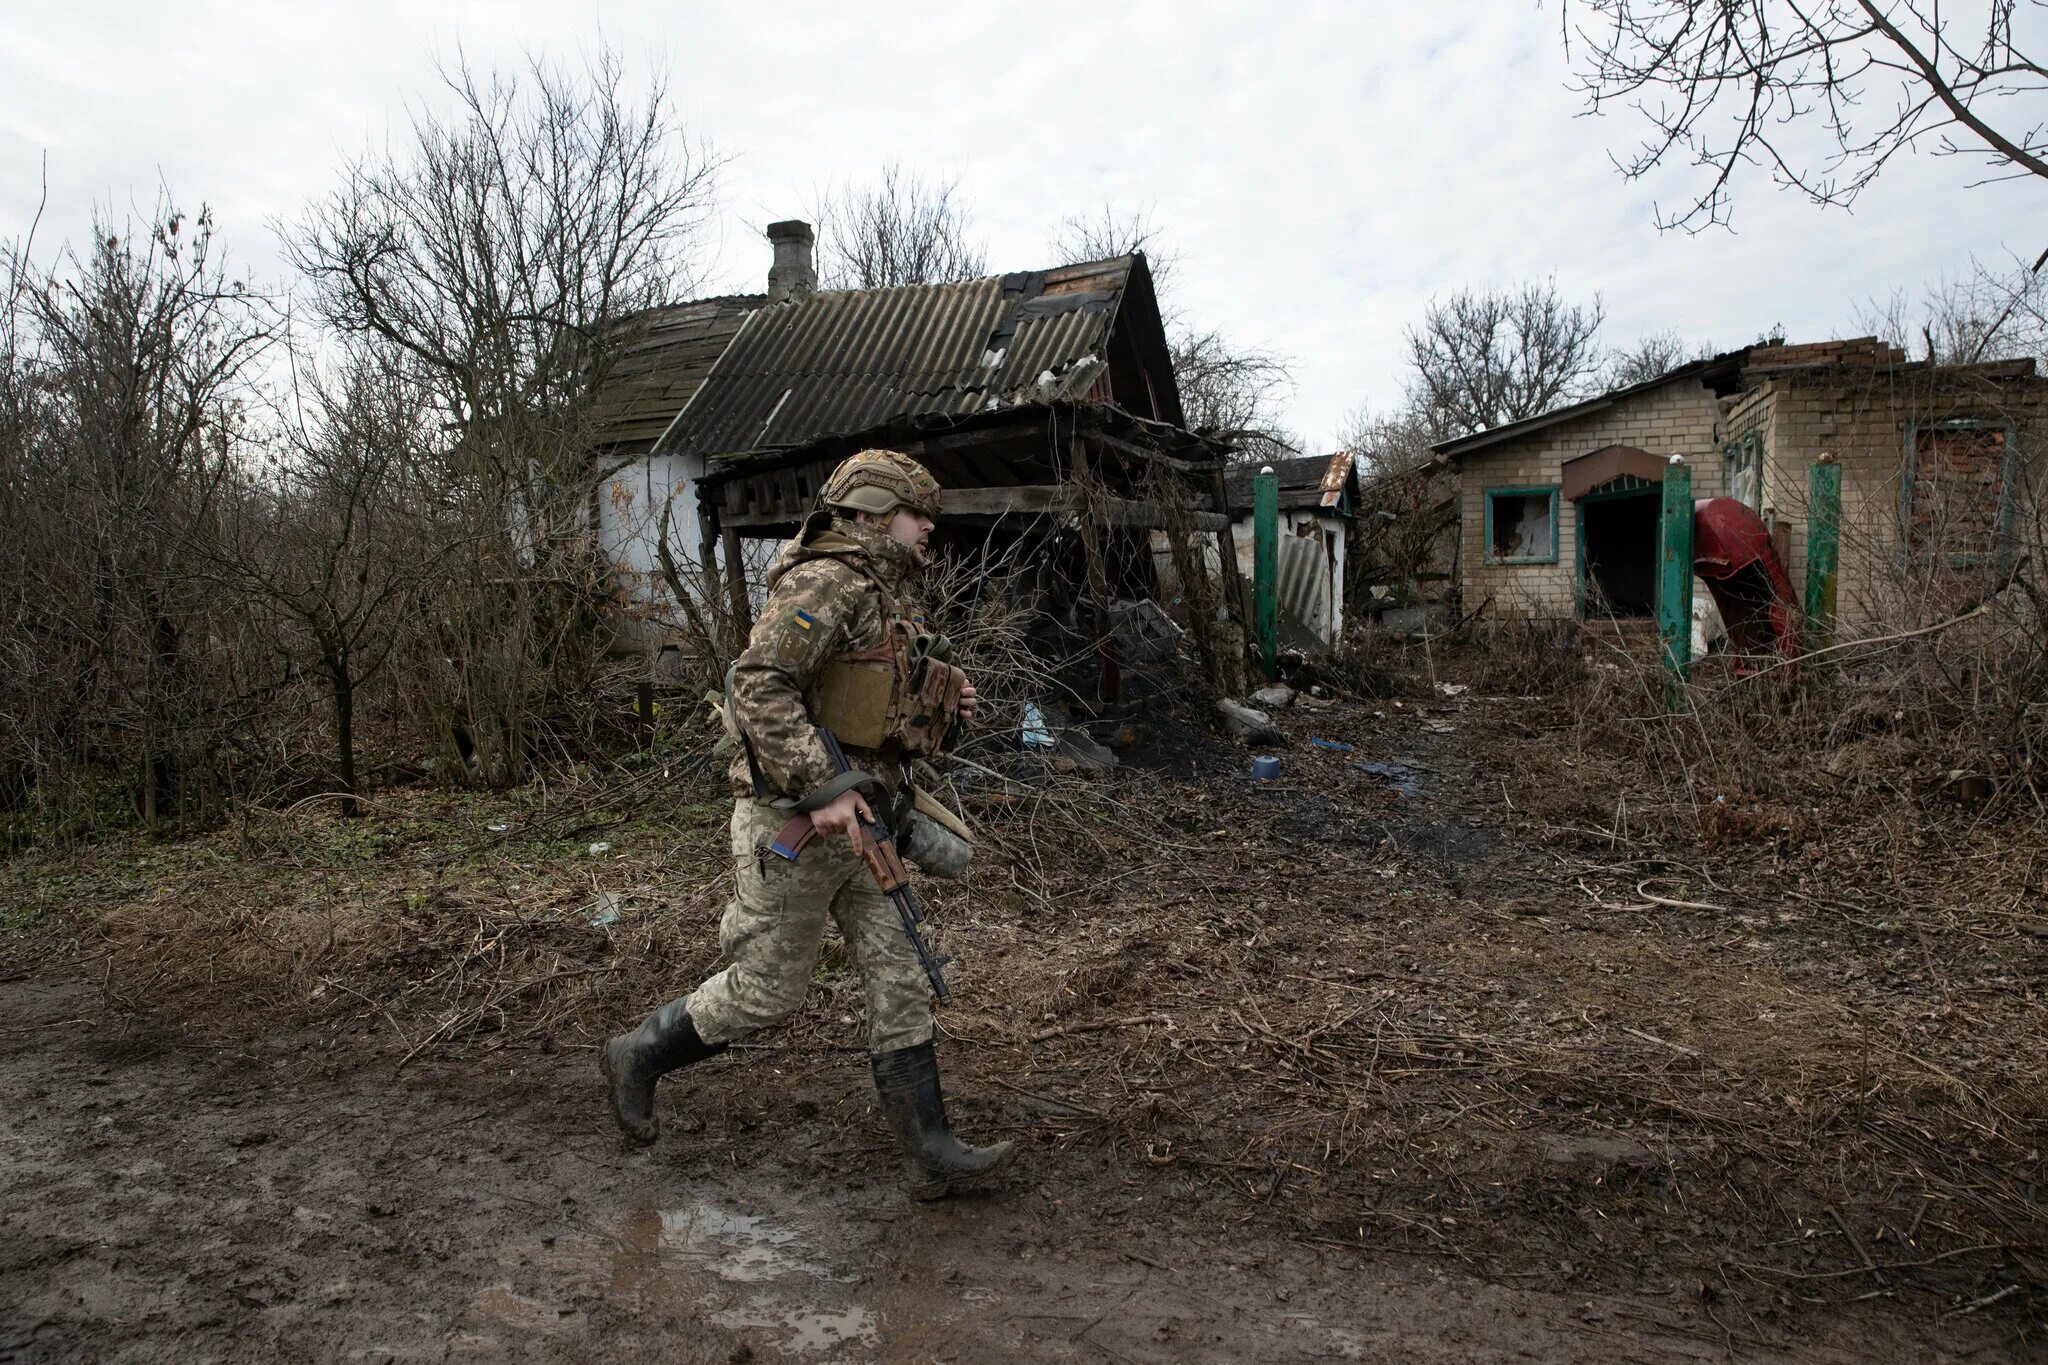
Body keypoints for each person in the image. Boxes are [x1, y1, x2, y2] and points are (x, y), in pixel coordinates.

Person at [601, 449, 1012, 1199]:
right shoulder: (826, 580)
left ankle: (932, 1150)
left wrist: (939, 701)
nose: (930, 527)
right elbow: (759, 685)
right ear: (875, 512)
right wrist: (821, 786)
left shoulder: (884, 593)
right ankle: (637, 1055)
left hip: (869, 818)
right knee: (767, 990)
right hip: (795, 823)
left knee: (902, 976)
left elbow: (865, 705)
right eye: (919, 513)